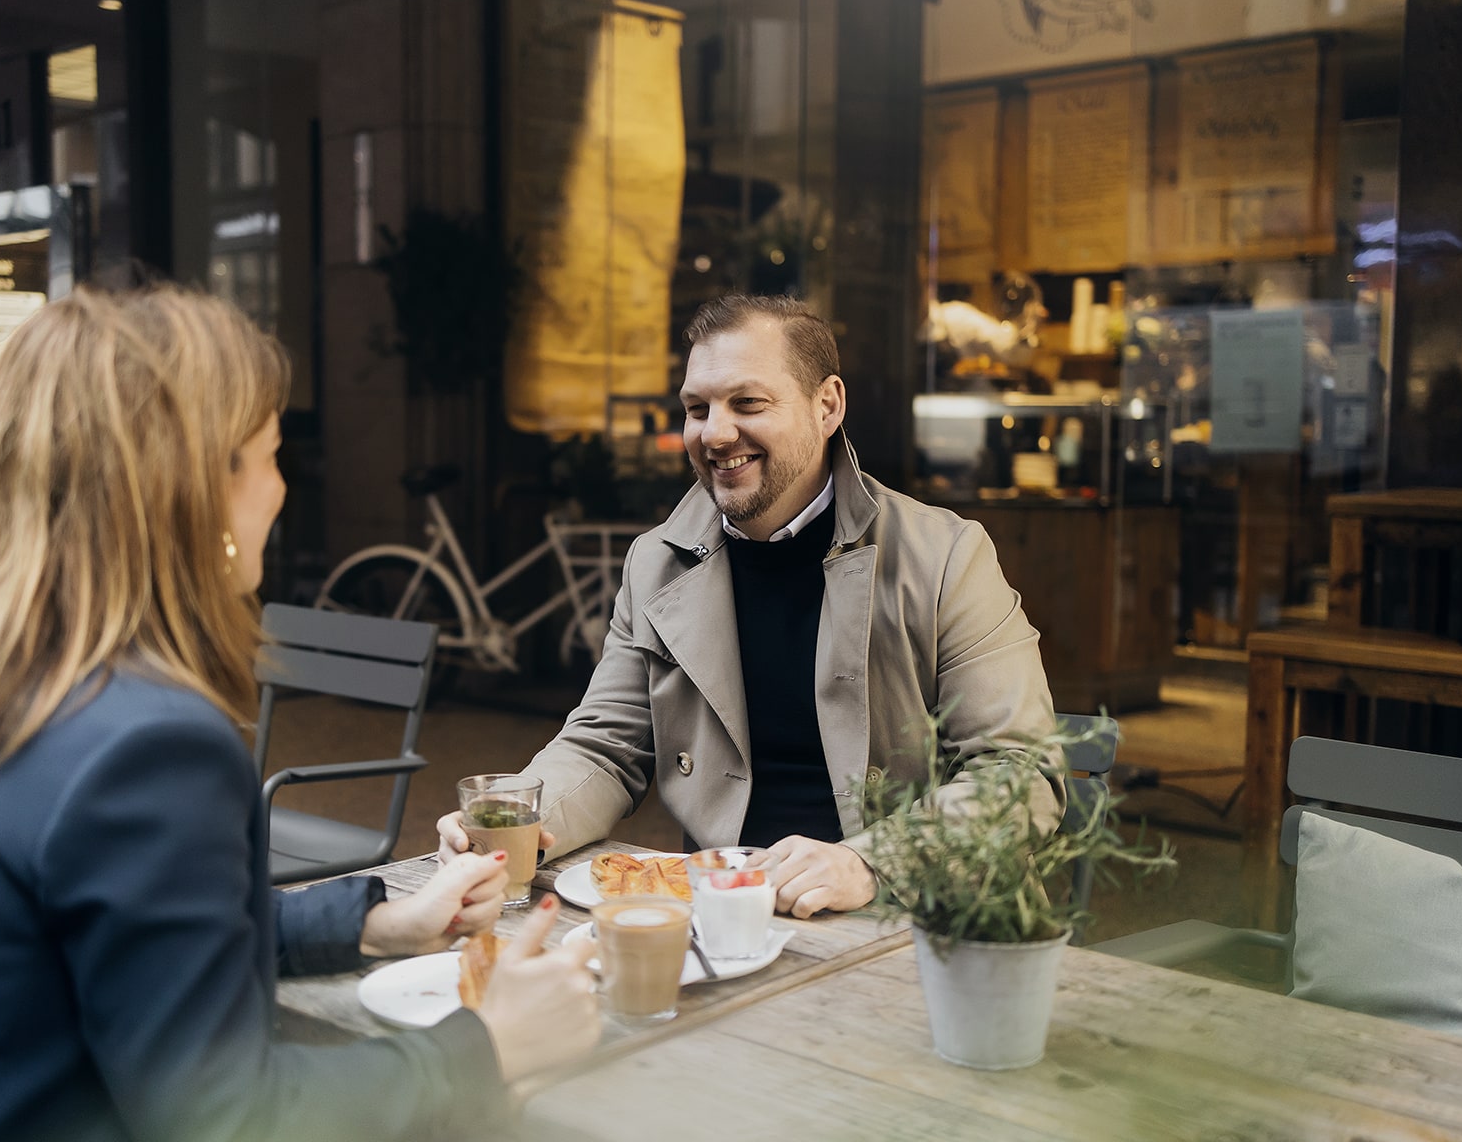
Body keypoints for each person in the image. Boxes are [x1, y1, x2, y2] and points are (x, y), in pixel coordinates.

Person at [0, 285, 599, 1142]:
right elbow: (234, 1134)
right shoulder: (148, 742)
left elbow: (128, 948)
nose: (284, 489)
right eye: (273, 458)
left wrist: (374, 920)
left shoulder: (20, 679)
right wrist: (485, 1048)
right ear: (198, 484)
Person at [440, 294, 1062, 917]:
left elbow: (1020, 774)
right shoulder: (656, 562)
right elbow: (607, 747)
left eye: (748, 403)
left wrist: (873, 860)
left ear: (828, 406)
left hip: (917, 923)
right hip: (730, 921)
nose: (714, 432)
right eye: (696, 408)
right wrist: (514, 824)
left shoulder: (946, 555)